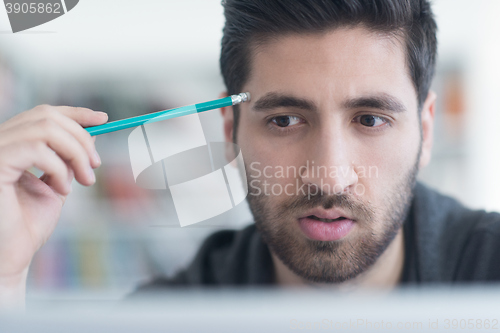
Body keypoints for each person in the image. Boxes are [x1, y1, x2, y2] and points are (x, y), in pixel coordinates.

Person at [2, 0, 500, 308]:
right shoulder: (167, 319)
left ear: (426, 129)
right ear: (231, 131)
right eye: (284, 120)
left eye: (370, 119)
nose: (329, 176)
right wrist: (6, 280)